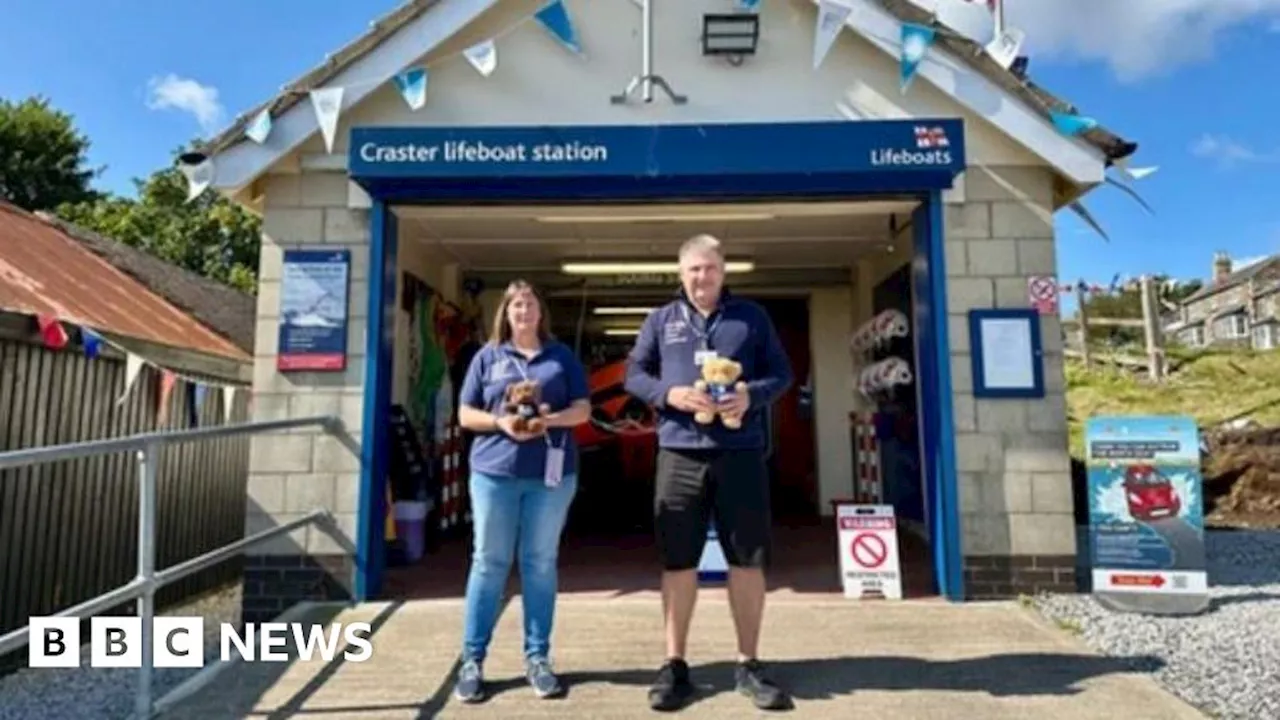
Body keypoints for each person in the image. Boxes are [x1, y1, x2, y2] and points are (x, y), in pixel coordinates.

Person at [624, 233, 795, 712]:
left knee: (746, 560)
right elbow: (633, 374)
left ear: (724, 272)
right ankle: (675, 664)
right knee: (678, 561)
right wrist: (669, 396)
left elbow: (782, 374)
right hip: (679, 453)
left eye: (711, 268)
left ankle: (749, 663)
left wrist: (751, 396)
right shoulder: (661, 320)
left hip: (741, 453)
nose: (703, 277)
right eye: (694, 269)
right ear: (681, 274)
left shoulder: (752, 318)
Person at [453, 280, 591, 703]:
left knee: (540, 564)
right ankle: (472, 659)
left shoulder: (561, 357)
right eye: (516, 304)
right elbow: (465, 413)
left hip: (551, 476)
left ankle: (538, 658)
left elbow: (584, 409)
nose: (524, 311)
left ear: (541, 312)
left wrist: (551, 420)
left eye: (531, 303)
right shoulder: (487, 357)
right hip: (494, 474)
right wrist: (500, 422)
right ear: (506, 313)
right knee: (489, 563)